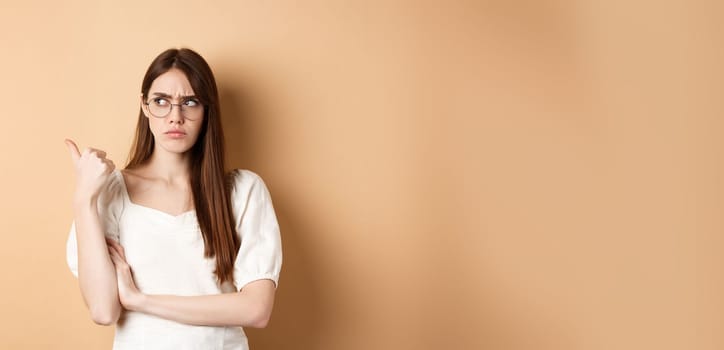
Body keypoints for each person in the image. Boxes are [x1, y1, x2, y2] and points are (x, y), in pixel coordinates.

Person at [64, 48, 282, 350]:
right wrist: (84, 199)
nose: (175, 117)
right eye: (161, 101)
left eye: (190, 102)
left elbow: (257, 310)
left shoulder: (243, 190)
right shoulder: (111, 192)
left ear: (207, 109)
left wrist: (142, 300)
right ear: (145, 106)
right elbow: (103, 310)